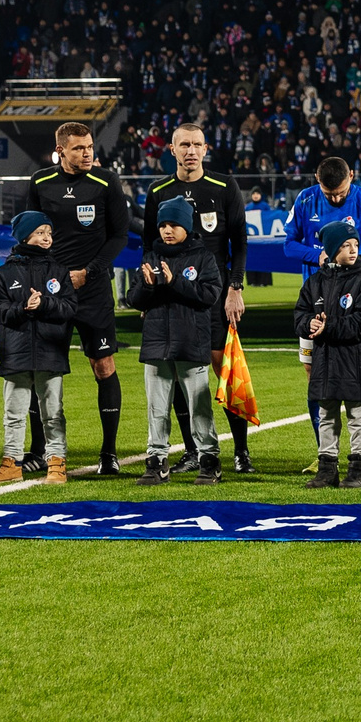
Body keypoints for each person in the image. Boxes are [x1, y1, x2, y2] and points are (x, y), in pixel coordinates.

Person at [143, 124, 253, 471]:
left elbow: (239, 243)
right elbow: (149, 246)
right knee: (177, 370)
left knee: (224, 370)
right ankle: (192, 451)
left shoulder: (224, 186)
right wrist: (149, 295)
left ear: (206, 149)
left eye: (196, 145)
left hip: (213, 296)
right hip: (171, 296)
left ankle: (241, 452)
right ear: (172, 149)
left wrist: (235, 288)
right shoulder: (158, 190)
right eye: (184, 145)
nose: (190, 151)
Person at [24, 122, 131, 477]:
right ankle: (39, 450)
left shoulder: (106, 181)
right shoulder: (40, 182)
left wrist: (90, 271)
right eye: (79, 148)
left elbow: (119, 235)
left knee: (103, 366)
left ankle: (109, 453)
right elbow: (29, 232)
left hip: (93, 290)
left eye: (89, 147)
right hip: (52, 291)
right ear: (60, 151)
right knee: (42, 370)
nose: (87, 154)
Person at [285, 156, 361, 472]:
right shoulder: (305, 200)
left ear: (352, 175)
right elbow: (288, 245)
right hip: (317, 300)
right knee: (316, 379)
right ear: (317, 179)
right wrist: (317, 256)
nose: (336, 199)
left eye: (340, 192)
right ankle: (324, 455)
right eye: (330, 194)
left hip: (356, 300)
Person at [126, 197, 222, 484]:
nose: (167, 230)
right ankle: (157, 461)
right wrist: (147, 287)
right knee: (156, 408)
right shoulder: (151, 257)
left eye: (174, 225)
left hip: (191, 342)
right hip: (156, 343)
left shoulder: (203, 258)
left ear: (187, 226)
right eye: (163, 225)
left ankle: (209, 460)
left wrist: (174, 282)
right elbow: (133, 299)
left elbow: (209, 295)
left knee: (199, 408)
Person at [0, 211, 76, 485]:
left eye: (49, 233)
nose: (47, 238)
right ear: (25, 236)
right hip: (16, 352)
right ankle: (11, 463)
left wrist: (45, 303)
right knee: (13, 414)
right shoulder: (4, 273)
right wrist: (23, 308)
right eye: (40, 232)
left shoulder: (59, 271)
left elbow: (70, 308)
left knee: (53, 413)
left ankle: (56, 463)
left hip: (50, 351)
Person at [294, 220, 361, 490]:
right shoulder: (314, 283)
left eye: (355, 244)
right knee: (327, 415)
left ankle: (360, 471)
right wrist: (308, 324)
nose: (353, 250)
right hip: (325, 360)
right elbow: (300, 314)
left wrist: (328, 326)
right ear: (332, 249)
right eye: (345, 245)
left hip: (354, 360)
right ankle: (327, 470)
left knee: (357, 416)